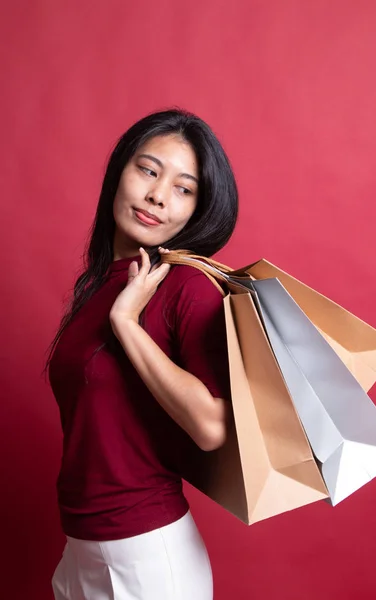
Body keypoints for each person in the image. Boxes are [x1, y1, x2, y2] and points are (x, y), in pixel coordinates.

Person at [43, 107, 239, 599]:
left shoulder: (187, 287)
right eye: (148, 171)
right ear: (120, 171)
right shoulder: (102, 284)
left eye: (184, 188)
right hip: (81, 550)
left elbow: (212, 426)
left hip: (146, 559)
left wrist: (126, 324)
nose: (157, 195)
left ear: (199, 208)